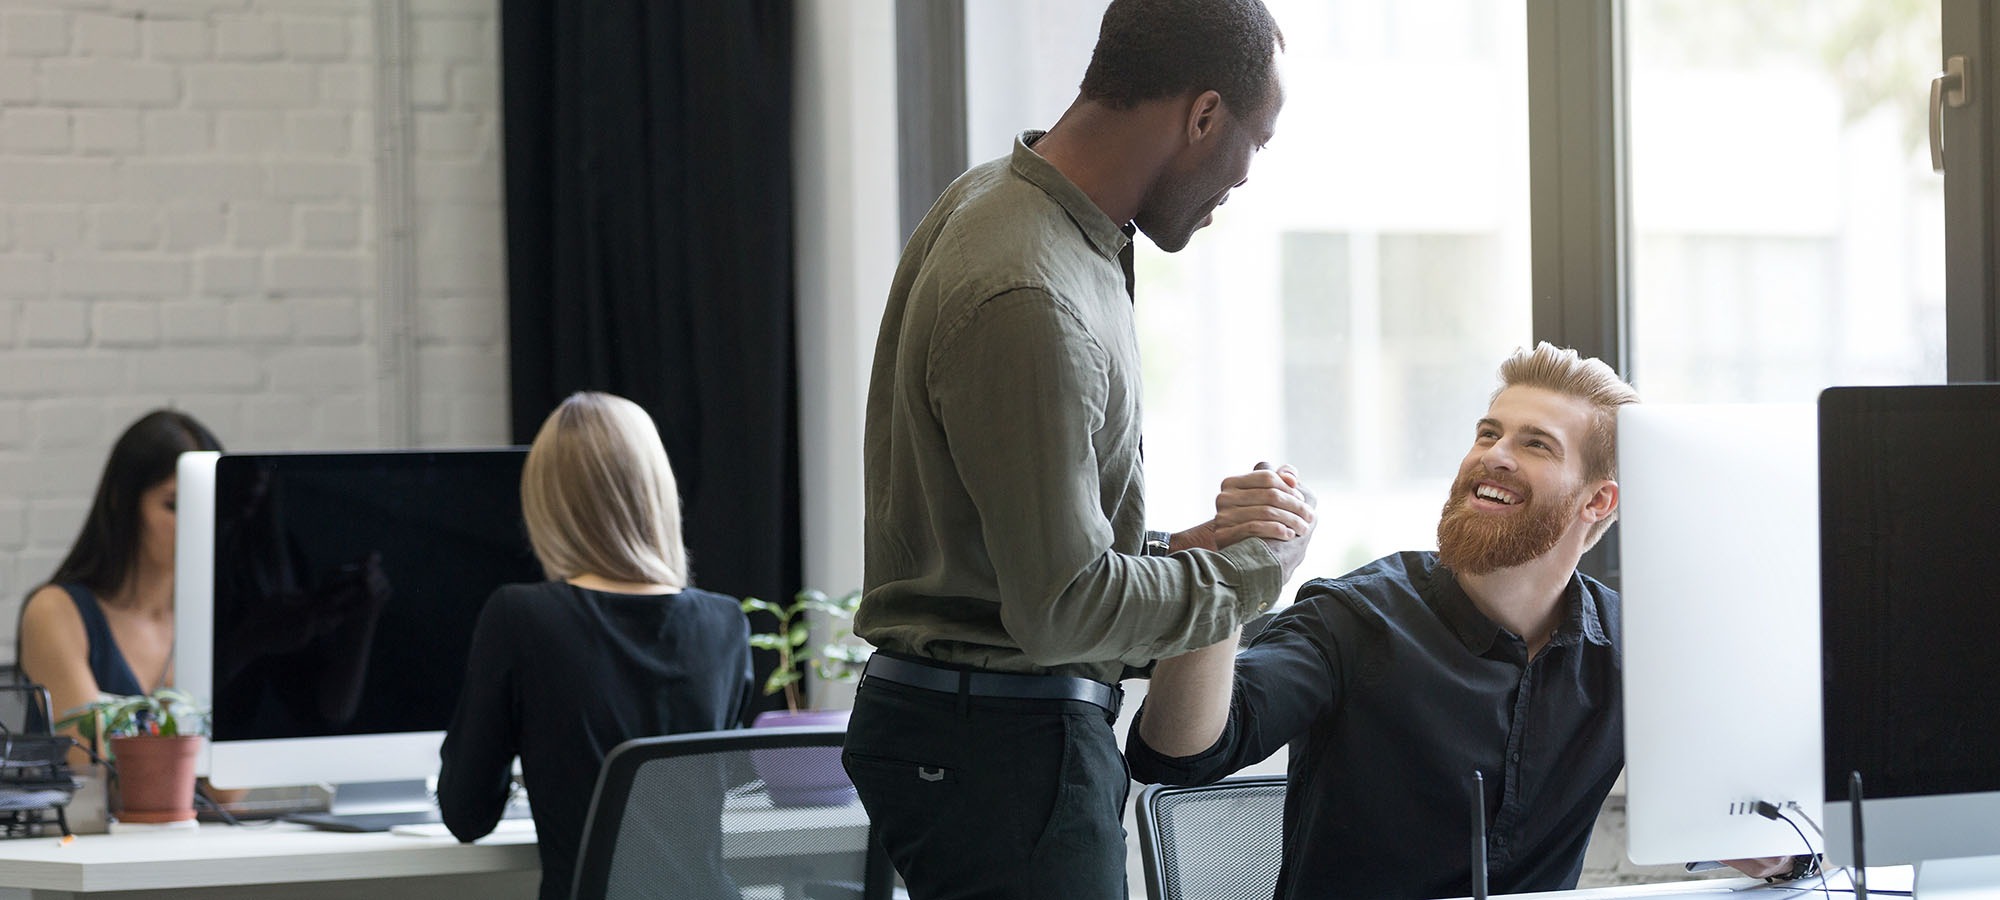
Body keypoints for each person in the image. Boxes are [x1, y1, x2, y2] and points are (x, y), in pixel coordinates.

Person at [844, 0, 1315, 896]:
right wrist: (1255, 572)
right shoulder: (1032, 291)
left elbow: (1020, 553)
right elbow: (1061, 606)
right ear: (1203, 116)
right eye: (1255, 141)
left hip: (986, 740)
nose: (1247, 177)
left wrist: (1184, 553)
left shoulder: (1010, 206)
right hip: (1005, 752)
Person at [1127, 344, 1808, 898]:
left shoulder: (1633, 652)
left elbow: (1754, 824)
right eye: (1489, 432)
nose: (1495, 454)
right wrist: (1228, 575)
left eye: (1536, 444)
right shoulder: (1356, 617)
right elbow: (1178, 754)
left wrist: (1772, 850)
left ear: (1598, 501)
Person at [438, 391, 754, 900]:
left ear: (549, 506)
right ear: (655, 493)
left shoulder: (521, 617)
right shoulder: (725, 623)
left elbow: (466, 815)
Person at [17, 409, 224, 759]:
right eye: (174, 505)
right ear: (122, 500)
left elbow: (234, 775)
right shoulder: (56, 612)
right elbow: (97, 764)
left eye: (210, 504)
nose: (197, 522)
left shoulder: (215, 617)